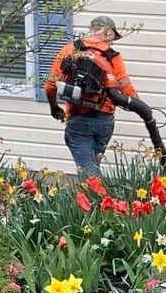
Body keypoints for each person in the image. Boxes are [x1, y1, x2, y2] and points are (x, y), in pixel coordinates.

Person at [45, 16, 157, 177]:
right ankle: (97, 200)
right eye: (112, 38)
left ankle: (102, 200)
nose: (111, 43)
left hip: (78, 120)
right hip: (104, 122)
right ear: (108, 33)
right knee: (92, 168)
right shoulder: (113, 56)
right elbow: (126, 87)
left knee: (90, 174)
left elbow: (50, 85)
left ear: (92, 29)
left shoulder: (69, 50)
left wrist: (54, 108)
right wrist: (143, 108)